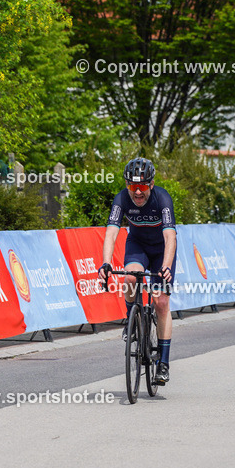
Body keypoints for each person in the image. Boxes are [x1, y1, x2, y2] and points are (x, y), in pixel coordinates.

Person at [98, 157, 177, 386]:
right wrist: (105, 263)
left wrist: (166, 266)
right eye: (133, 187)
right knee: (130, 278)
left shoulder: (162, 198)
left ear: (151, 184)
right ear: (127, 185)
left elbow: (170, 236)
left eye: (142, 186)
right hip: (138, 245)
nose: (138, 192)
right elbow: (111, 233)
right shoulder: (122, 199)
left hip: (161, 250)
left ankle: (163, 363)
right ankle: (131, 320)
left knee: (161, 301)